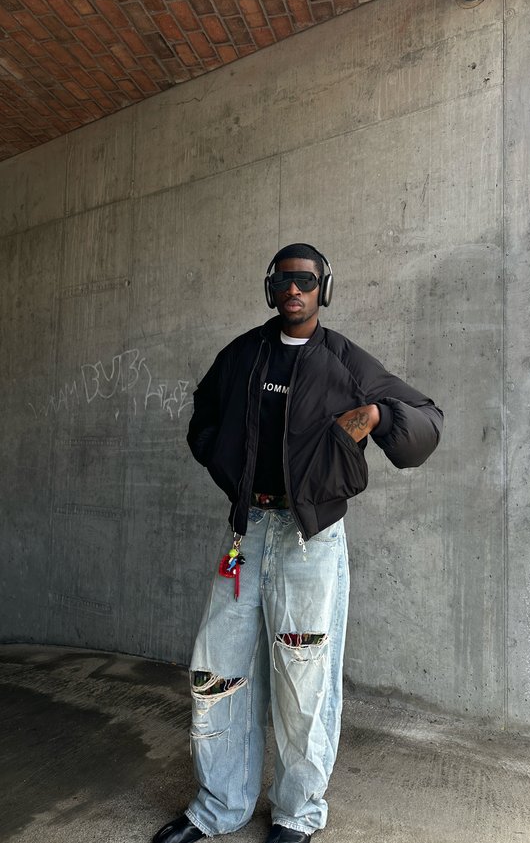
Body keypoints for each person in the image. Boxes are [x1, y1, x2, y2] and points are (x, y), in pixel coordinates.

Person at [153, 243, 443, 843]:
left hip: (310, 541)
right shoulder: (243, 355)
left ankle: (296, 812)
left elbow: (424, 423)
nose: (295, 290)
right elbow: (201, 419)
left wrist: (376, 419)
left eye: (306, 281)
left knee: (304, 675)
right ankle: (217, 806)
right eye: (285, 280)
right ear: (270, 287)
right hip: (247, 532)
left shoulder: (343, 361)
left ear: (323, 289)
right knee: (219, 669)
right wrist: (227, 466)